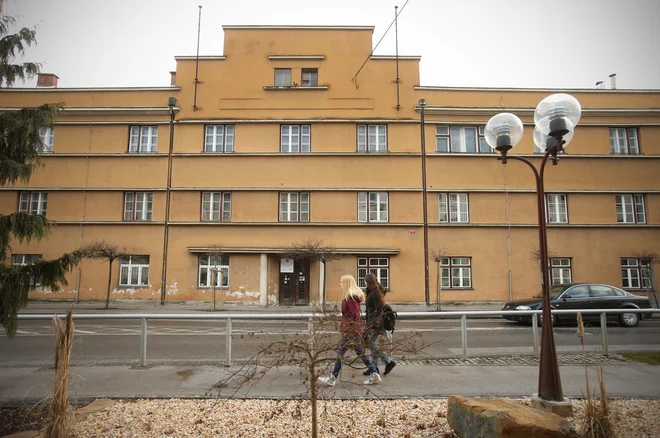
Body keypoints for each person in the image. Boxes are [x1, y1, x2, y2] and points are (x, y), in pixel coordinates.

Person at [318, 274, 381, 387]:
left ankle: (332, 378)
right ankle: (374, 374)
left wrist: (350, 328)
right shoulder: (350, 297)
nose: (340, 284)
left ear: (347, 283)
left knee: (340, 353)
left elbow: (355, 314)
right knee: (360, 353)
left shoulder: (351, 298)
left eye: (342, 282)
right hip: (352, 330)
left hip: (351, 331)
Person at [363, 273, 396, 376]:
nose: (364, 282)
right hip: (372, 321)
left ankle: (388, 362)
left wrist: (372, 324)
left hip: (375, 323)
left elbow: (378, 310)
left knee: (371, 344)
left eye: (365, 280)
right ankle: (374, 367)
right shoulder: (372, 291)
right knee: (371, 344)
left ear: (368, 282)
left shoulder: (375, 293)